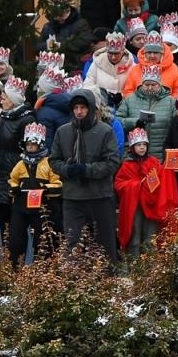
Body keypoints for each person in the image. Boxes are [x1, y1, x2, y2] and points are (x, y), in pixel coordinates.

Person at [50, 87, 121, 263]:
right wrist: (67, 169)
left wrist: (86, 170)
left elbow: (112, 162)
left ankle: (107, 277)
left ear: (91, 108)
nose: (79, 111)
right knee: (73, 243)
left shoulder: (105, 131)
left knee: (104, 244)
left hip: (100, 196)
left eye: (83, 107)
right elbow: (54, 160)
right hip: (73, 196)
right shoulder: (63, 132)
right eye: (75, 108)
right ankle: (73, 277)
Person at [0, 76, 33, 252]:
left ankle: (19, 263)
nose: (1, 100)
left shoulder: (27, 120)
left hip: (14, 180)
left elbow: (28, 153)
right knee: (2, 228)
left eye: (4, 97)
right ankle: (7, 264)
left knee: (16, 230)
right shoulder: (3, 116)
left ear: (14, 99)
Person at [114, 127, 178, 260]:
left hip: (152, 205)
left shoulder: (153, 161)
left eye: (144, 144)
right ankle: (135, 266)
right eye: (138, 145)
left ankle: (151, 266)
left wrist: (168, 169)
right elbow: (119, 184)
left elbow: (161, 177)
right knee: (134, 236)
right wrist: (138, 184)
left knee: (151, 236)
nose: (142, 147)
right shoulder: (127, 165)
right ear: (132, 147)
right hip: (135, 205)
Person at [8, 122, 63, 265]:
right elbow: (12, 180)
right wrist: (14, 188)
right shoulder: (20, 164)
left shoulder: (48, 163)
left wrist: (46, 189)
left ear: (40, 145)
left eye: (33, 144)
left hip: (42, 207)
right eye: (28, 144)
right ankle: (15, 268)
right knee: (16, 239)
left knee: (42, 240)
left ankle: (43, 269)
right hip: (21, 206)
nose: (30, 147)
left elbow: (58, 184)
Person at [116, 62, 176, 158]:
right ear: (142, 84)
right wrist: (135, 122)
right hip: (135, 156)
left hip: (160, 154)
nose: (150, 88)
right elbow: (118, 121)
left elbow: (177, 125)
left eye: (153, 84)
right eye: (146, 84)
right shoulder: (130, 100)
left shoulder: (171, 101)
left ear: (159, 84)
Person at [39, 0, 92, 66]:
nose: (59, 19)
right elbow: (37, 47)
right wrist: (50, 45)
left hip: (75, 64)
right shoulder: (48, 27)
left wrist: (60, 45)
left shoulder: (80, 23)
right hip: (51, 65)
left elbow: (84, 43)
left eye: (61, 15)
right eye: (56, 15)